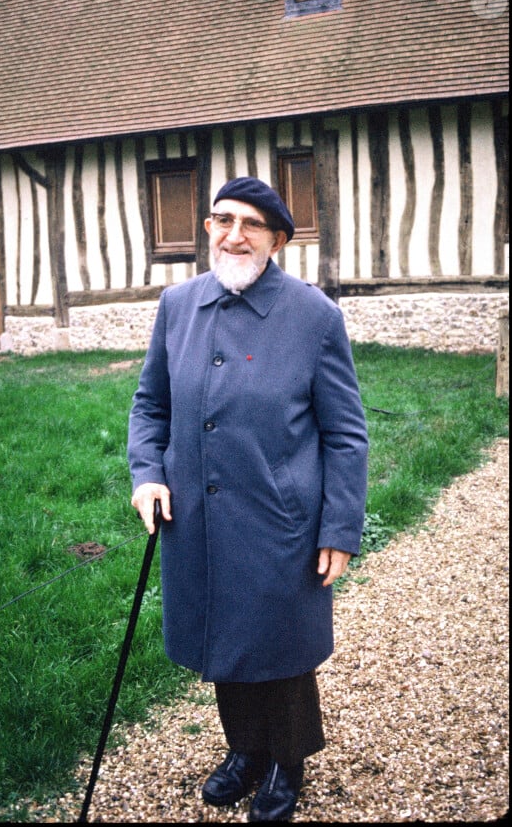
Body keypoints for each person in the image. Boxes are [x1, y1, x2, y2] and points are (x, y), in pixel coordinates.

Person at [127, 176, 368, 822]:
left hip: (280, 518)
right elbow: (151, 404)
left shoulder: (313, 316)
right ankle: (245, 750)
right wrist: (147, 472)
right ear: (208, 228)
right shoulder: (177, 305)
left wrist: (340, 526)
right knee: (224, 640)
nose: (234, 233)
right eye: (221, 219)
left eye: (251, 223)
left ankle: (287, 763)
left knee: (282, 648)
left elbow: (346, 431)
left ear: (277, 239)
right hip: (199, 519)